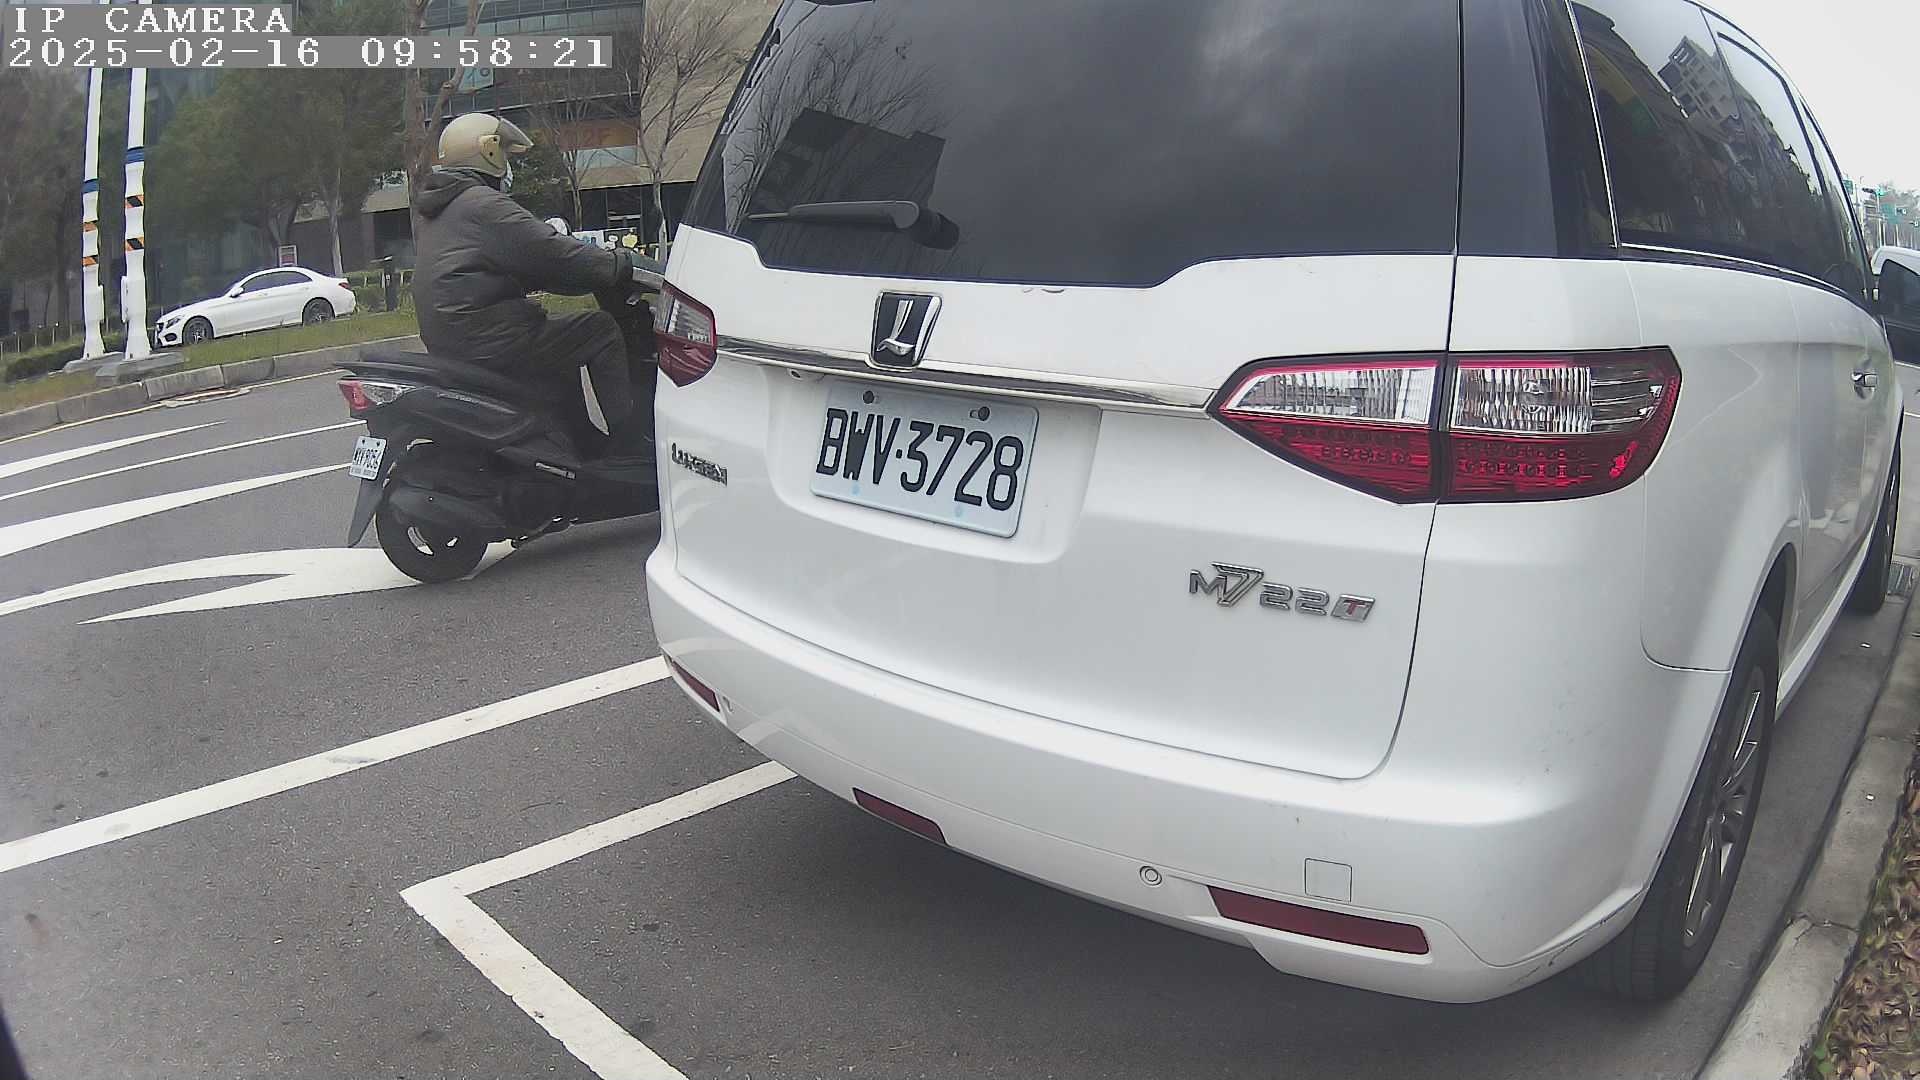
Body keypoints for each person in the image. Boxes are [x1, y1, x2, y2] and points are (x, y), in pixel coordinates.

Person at [410, 112, 654, 459]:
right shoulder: (484, 205)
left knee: (560, 343)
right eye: (504, 154)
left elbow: (521, 264)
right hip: (488, 338)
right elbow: (553, 250)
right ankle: (629, 445)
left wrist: (561, 276)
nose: (508, 165)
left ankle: (579, 440)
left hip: (456, 338)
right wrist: (620, 263)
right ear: (488, 152)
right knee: (599, 330)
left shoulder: (438, 211)